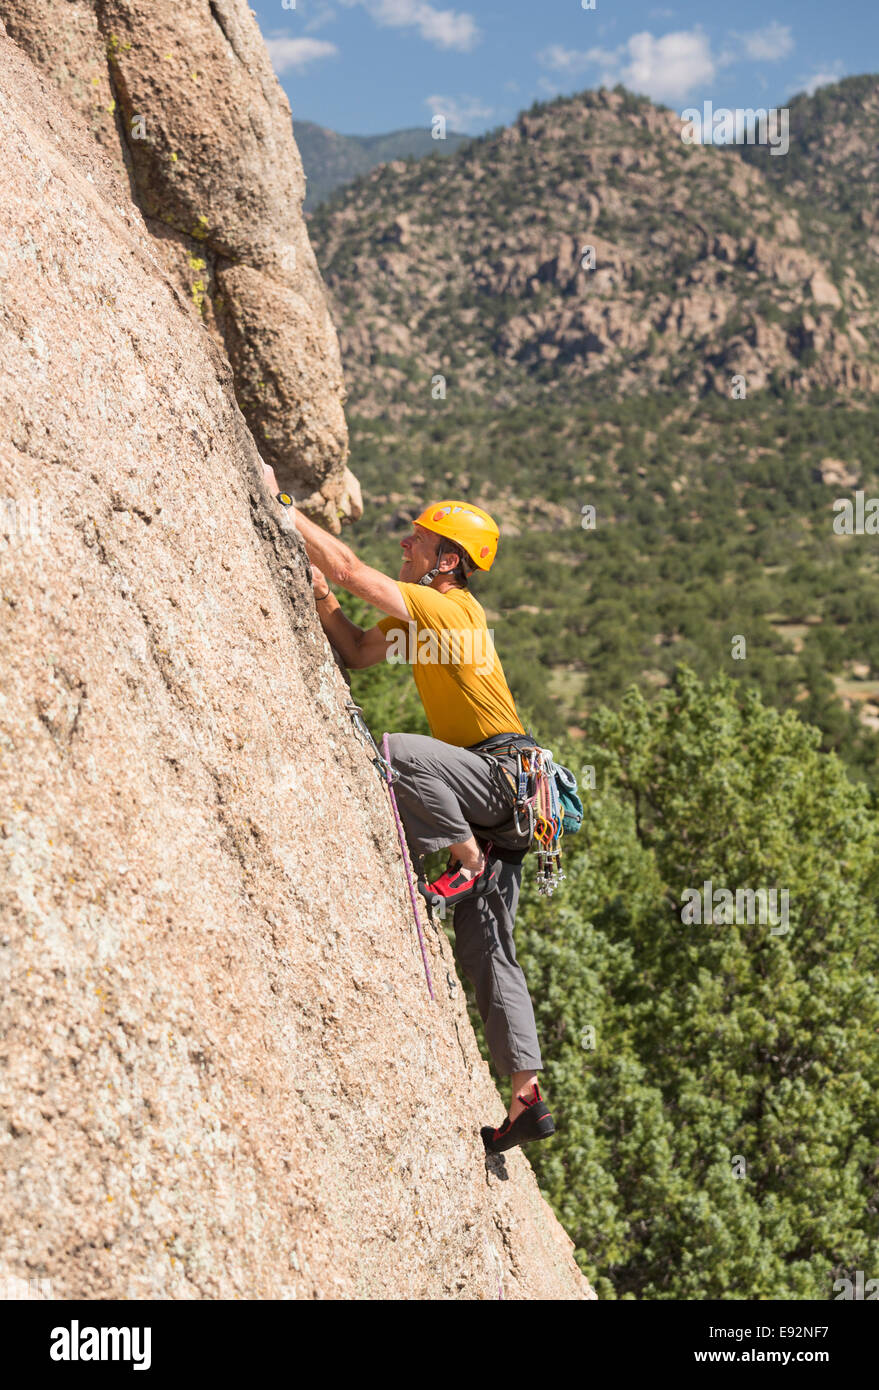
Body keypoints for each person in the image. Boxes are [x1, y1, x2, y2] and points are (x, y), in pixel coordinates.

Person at [265, 469, 554, 1154]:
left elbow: (351, 566)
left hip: (495, 780)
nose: (404, 543)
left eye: (417, 541)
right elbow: (361, 651)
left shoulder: (450, 611)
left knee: (398, 752)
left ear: (446, 561)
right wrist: (320, 601)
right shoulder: (426, 624)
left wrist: (279, 505)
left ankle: (462, 856)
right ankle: (525, 1095)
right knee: (488, 950)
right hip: (506, 796)